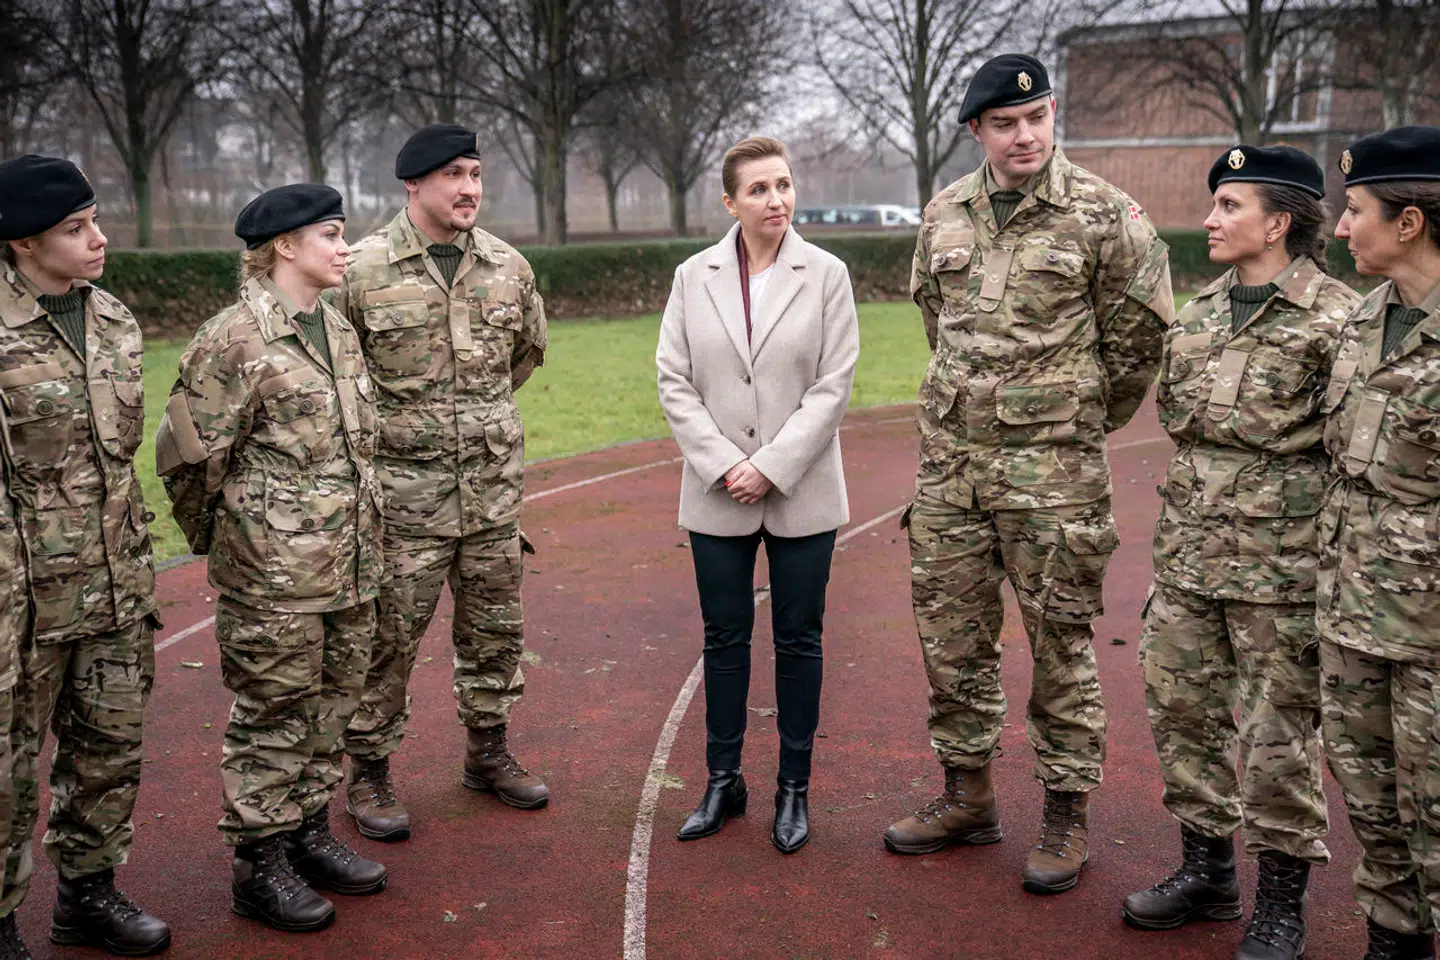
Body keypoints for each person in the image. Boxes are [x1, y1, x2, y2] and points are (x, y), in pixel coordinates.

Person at [881, 54, 1174, 895]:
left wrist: (1068, 418)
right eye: (1005, 124)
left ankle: (1064, 815)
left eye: (1037, 117)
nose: (1024, 136)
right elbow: (936, 319)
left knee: (1061, 650)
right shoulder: (944, 213)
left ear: (1052, 116)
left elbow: (1138, 343)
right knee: (951, 644)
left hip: (1055, 481)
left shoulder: (1106, 215)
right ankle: (967, 796)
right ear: (977, 130)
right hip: (952, 475)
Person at [1119, 145, 1358, 960]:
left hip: (1281, 575)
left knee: (1278, 737)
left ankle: (1281, 901)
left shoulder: (1339, 322)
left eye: (1230, 206)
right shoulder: (1198, 315)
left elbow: (1349, 455)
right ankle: (1208, 871)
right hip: (1188, 564)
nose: (1211, 220)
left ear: (1279, 222)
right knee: (1181, 714)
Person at [156, 184, 386, 933]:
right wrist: (237, 543)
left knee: (333, 705)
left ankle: (307, 834)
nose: (345, 247)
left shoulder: (337, 329)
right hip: (273, 577)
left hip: (349, 566)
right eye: (331, 234)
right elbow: (188, 460)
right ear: (284, 246)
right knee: (273, 715)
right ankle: (259, 865)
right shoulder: (233, 339)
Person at [333, 123, 549, 841]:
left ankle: (488, 751)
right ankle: (369, 772)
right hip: (402, 506)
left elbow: (523, 357)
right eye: (453, 174)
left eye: (476, 174)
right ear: (414, 184)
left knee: (495, 633)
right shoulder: (360, 271)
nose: (469, 189)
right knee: (387, 643)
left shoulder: (509, 267)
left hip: (491, 497)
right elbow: (337, 379)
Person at [656, 135, 859, 854]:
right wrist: (725, 464)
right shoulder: (693, 276)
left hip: (802, 488)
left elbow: (834, 385)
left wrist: (770, 465)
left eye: (784, 185)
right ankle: (723, 782)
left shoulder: (827, 273)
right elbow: (674, 380)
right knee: (724, 638)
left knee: (800, 639)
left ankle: (793, 789)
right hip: (717, 492)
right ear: (730, 202)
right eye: (760, 189)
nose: (777, 200)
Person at [0, 155, 170, 956]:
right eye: (76, 228)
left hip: (114, 583)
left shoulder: (113, 319)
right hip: (22, 602)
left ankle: (88, 895)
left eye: (96, 221)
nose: (99, 239)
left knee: (109, 749)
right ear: (22, 242)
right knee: (7, 772)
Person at [1317, 125, 1440, 960]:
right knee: (1370, 801)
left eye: (1355, 209)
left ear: (1409, 222)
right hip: (1355, 614)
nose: (1339, 227)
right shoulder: (1364, 321)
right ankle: (1393, 941)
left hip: (1430, 635)